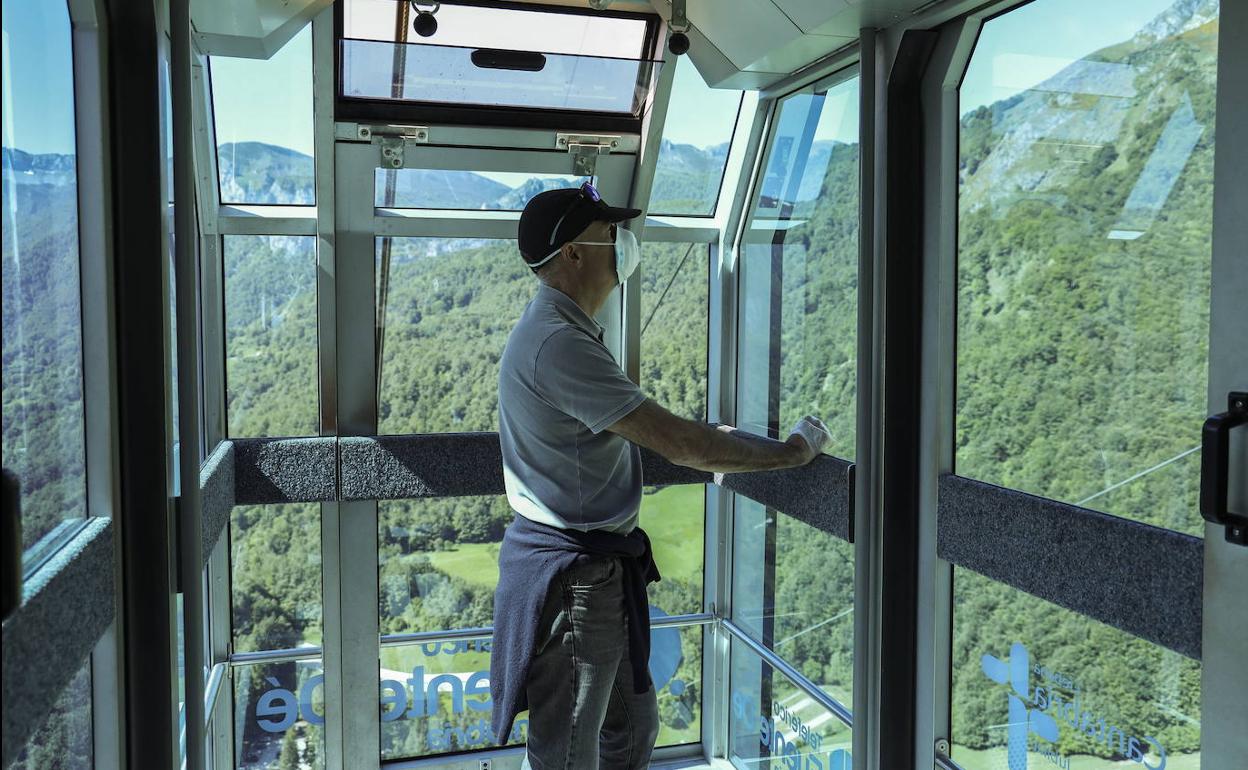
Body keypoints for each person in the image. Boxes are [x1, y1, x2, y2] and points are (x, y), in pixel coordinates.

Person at [489, 182, 830, 769]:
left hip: (595, 569)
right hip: (576, 580)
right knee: (567, 750)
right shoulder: (558, 344)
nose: (622, 242)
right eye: (608, 233)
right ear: (572, 252)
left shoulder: (563, 331)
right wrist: (792, 453)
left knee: (631, 726)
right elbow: (681, 443)